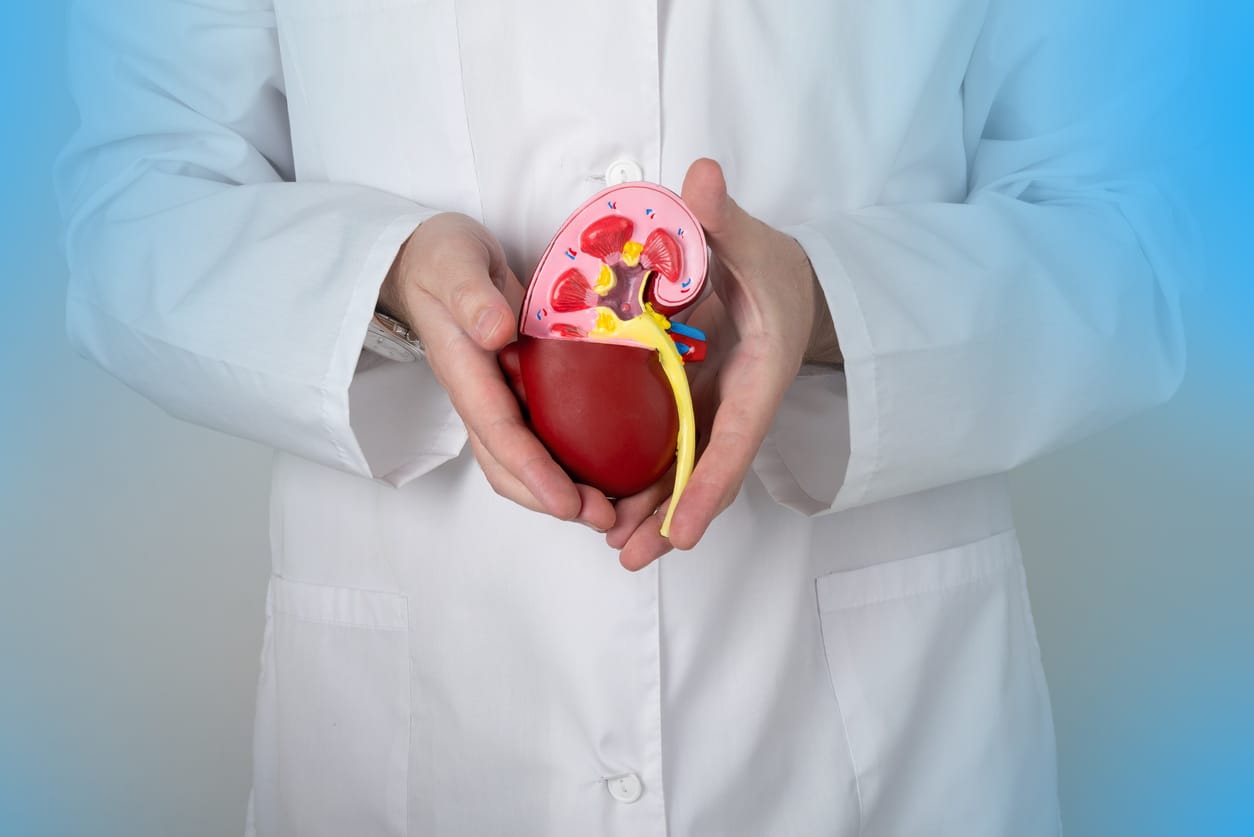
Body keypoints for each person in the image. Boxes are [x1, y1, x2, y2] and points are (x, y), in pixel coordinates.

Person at [57, 1, 1184, 835]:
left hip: (890, 743)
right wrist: (388, 281)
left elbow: (1153, 228)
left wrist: (828, 302)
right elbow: (131, 215)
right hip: (414, 720)